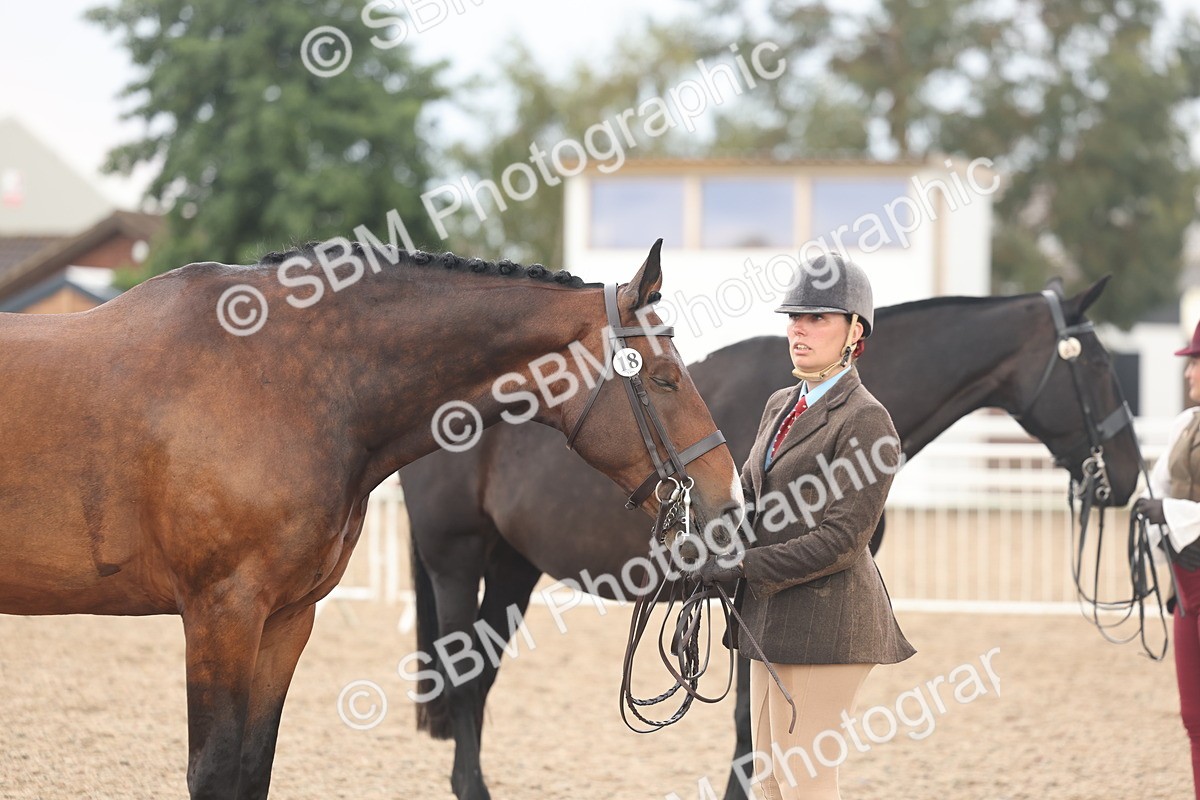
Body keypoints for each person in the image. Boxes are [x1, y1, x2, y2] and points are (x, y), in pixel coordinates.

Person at [697, 253, 915, 800]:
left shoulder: (866, 419)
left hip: (829, 622)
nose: (799, 329)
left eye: (817, 317)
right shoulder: (780, 404)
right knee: (769, 782)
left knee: (805, 785)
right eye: (795, 317)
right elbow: (750, 495)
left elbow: (842, 541)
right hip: (770, 619)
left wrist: (743, 564)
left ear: (855, 331)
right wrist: (707, 532)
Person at [1133, 320, 1200, 798]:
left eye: (1196, 363)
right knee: (1193, 715)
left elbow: (1169, 505)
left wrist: (1170, 513)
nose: (1188, 373)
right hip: (1186, 586)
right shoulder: (1185, 423)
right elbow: (1156, 488)